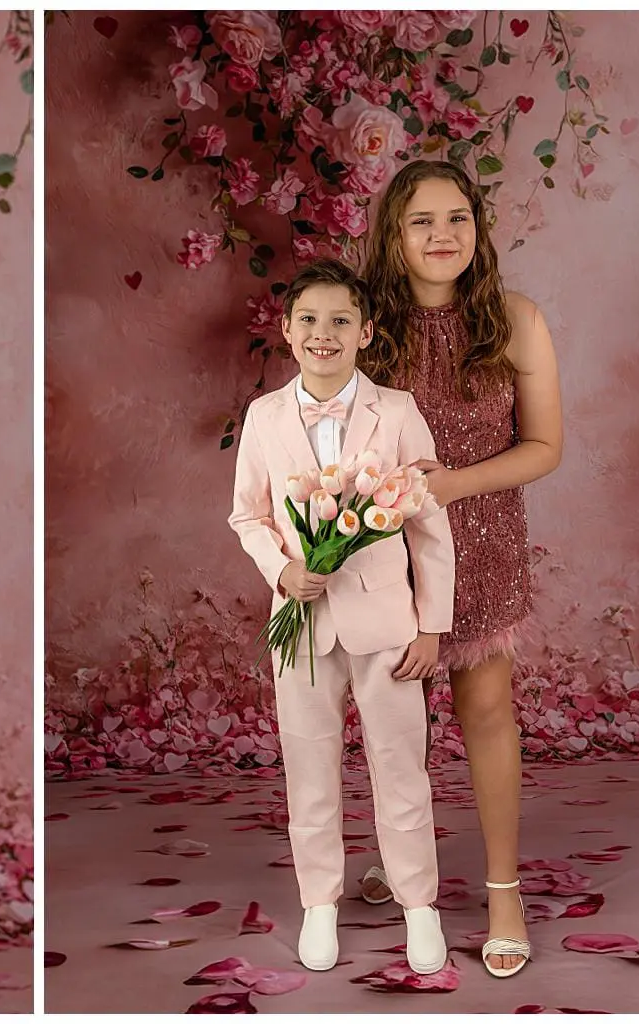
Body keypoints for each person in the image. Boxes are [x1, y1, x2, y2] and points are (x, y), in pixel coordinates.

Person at [353, 159, 564, 978]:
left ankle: (503, 888)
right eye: (421, 223)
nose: (442, 237)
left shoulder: (514, 320)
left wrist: (451, 485)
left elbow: (544, 447)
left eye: (457, 221)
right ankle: (405, 867)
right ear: (393, 237)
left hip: (481, 539)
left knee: (484, 710)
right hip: (384, 548)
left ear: (478, 231)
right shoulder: (367, 325)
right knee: (397, 720)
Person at [228, 257, 455, 975]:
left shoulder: (398, 410)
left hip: (386, 625)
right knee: (310, 767)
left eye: (339, 321)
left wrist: (431, 624)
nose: (323, 333)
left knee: (399, 766)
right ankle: (319, 901)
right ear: (287, 332)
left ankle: (420, 905)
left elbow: (427, 524)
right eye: (309, 321)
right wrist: (284, 570)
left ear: (365, 331)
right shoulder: (264, 417)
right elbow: (248, 515)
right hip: (300, 626)